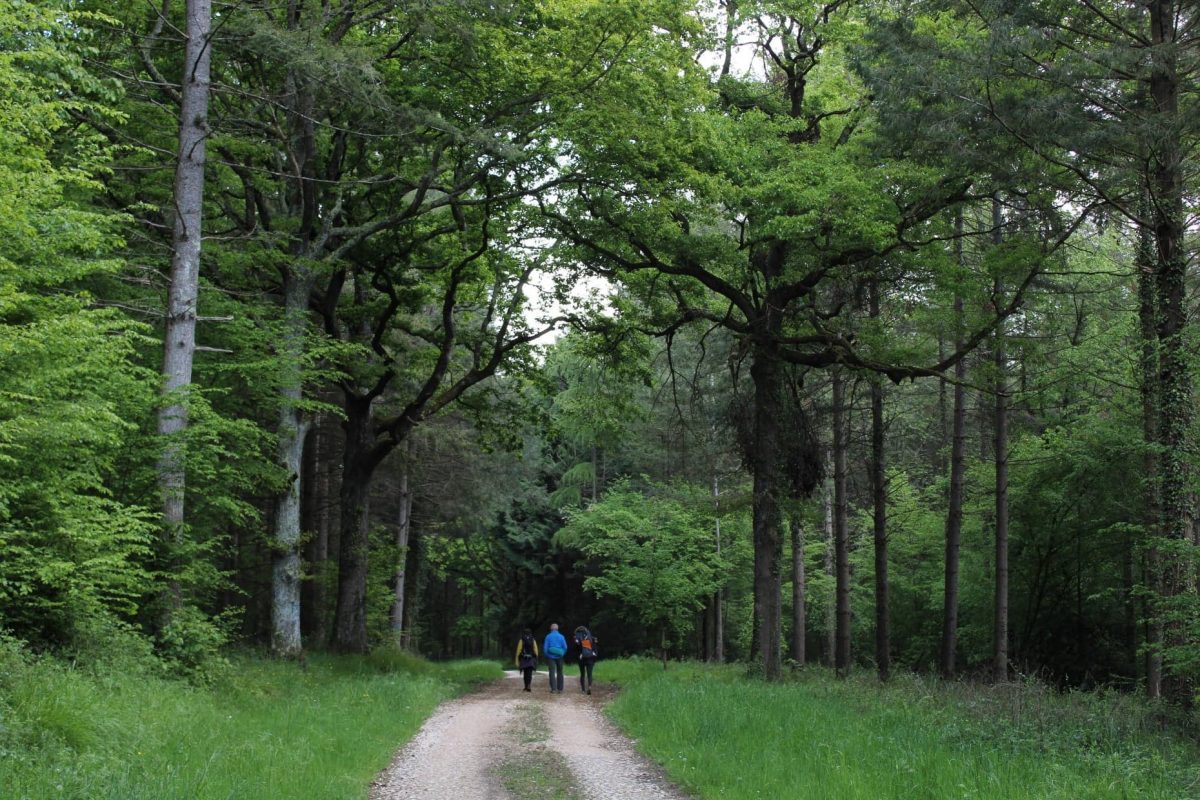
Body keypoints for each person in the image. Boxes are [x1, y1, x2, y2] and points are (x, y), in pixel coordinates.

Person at [543, 623, 567, 693]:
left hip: (551, 657)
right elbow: (565, 647)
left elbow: (545, 648)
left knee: (552, 672)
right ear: (557, 629)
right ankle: (560, 689)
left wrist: (548, 655)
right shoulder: (561, 636)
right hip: (560, 656)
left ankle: (553, 689)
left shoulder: (548, 636)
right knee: (560, 672)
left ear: (551, 629)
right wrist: (562, 654)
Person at [574, 623, 598, 695]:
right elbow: (595, 648)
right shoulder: (591, 637)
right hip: (590, 657)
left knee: (582, 674)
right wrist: (594, 656)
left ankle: (583, 689)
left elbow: (575, 649)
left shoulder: (576, 637)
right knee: (589, 674)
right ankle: (589, 687)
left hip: (581, 658)